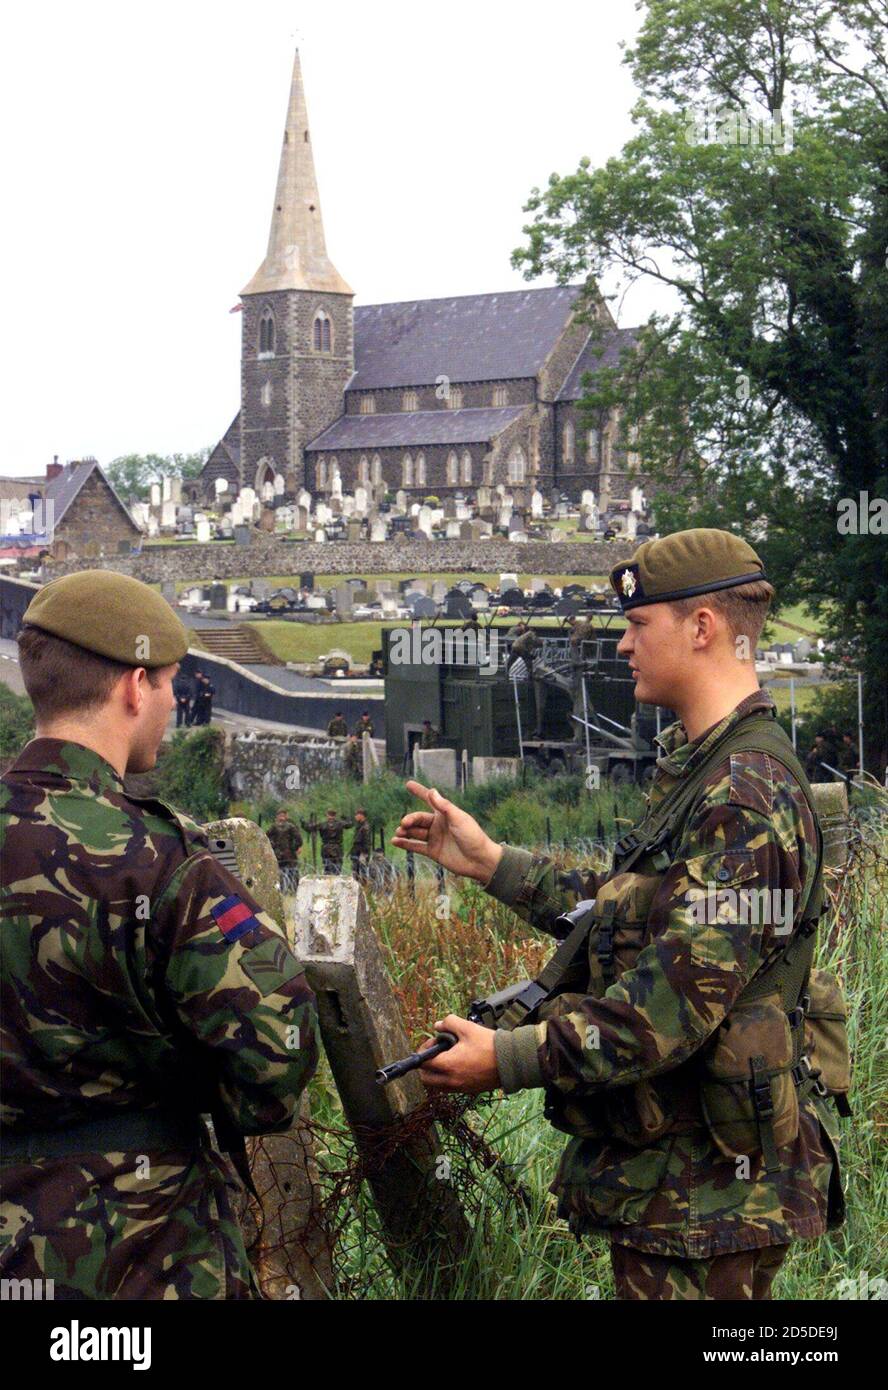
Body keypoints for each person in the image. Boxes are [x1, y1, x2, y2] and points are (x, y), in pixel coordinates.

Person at [393, 528, 844, 1302]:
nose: (624, 644)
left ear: (701, 628)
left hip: (708, 1198)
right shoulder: (709, 770)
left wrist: (506, 1059)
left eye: (638, 625)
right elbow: (635, 911)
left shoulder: (744, 793)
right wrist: (492, 864)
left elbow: (666, 1009)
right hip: (682, 1183)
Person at [0, 570, 319, 1300]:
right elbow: (280, 1054)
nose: (174, 704)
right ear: (135, 687)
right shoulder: (160, 862)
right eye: (172, 684)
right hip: (142, 1254)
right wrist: (175, 1087)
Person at [266, 807, 303, 893]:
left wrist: (294, 848)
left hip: (289, 855)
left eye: (283, 815)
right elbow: (266, 837)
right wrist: (272, 846)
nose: (282, 818)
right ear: (277, 817)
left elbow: (299, 840)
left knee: (292, 873)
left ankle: (293, 891)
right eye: (280, 816)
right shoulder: (273, 827)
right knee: (279, 873)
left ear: (286, 816)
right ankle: (282, 891)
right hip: (278, 855)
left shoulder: (291, 827)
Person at [303, 808, 349, 875]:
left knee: (327, 868)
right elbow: (350, 824)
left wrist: (303, 822)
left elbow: (309, 828)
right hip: (337, 848)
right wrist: (346, 818)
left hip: (326, 848)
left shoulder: (322, 824)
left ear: (327, 815)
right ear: (335, 815)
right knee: (337, 868)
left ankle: (328, 883)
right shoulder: (340, 824)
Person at [350, 808, 372, 882]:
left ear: (361, 816)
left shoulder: (365, 827)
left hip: (361, 852)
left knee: (362, 873)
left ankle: (363, 889)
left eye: (357, 815)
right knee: (355, 872)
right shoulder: (360, 826)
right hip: (356, 852)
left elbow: (367, 842)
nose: (355, 816)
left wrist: (364, 854)